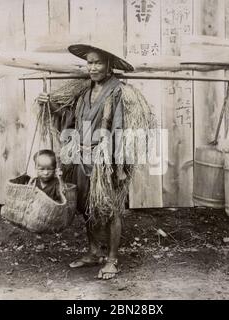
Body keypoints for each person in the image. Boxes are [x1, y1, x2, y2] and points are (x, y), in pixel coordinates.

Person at [37, 44, 152, 280]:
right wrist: (48, 103)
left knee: (109, 209)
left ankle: (111, 259)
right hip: (81, 157)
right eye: (89, 62)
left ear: (110, 65)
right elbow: (69, 118)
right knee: (87, 205)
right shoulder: (84, 92)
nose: (93, 67)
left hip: (106, 160)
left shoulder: (119, 92)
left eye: (98, 62)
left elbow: (122, 130)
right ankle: (93, 253)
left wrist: (118, 166)